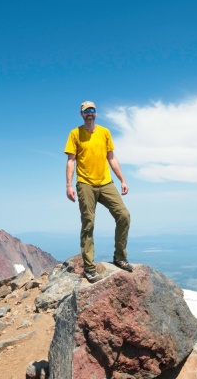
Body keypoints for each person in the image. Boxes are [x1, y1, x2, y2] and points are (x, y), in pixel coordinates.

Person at [64, 100, 132, 283]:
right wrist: (69, 185)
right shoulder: (75, 134)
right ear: (81, 114)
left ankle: (120, 256)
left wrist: (122, 180)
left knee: (124, 215)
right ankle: (89, 267)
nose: (89, 113)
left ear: (96, 112)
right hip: (85, 183)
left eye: (92, 110)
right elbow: (71, 160)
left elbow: (112, 158)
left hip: (106, 183)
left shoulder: (105, 132)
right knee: (88, 223)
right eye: (86, 111)